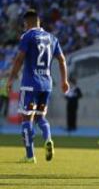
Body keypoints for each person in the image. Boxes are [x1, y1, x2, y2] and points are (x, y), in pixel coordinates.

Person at [6, 9, 69, 163]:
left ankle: (29, 156)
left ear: (27, 23)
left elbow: (20, 59)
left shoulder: (28, 36)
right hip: (46, 84)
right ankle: (48, 139)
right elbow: (62, 59)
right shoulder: (52, 38)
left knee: (26, 118)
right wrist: (64, 80)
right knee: (41, 116)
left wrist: (10, 79)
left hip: (29, 84)